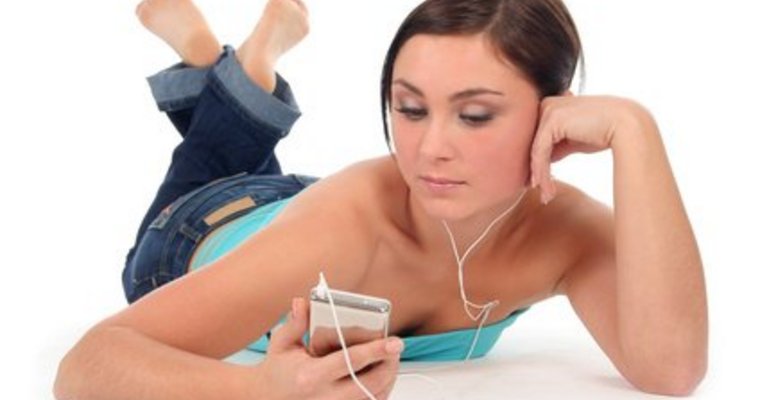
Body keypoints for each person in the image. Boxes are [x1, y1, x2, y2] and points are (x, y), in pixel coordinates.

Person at [54, 0, 708, 398]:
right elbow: (86, 365)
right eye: (410, 109)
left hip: (302, 205)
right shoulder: (346, 227)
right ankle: (218, 69)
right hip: (199, 232)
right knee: (205, 182)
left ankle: (220, 72)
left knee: (244, 160)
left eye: (474, 116)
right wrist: (258, 391)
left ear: (554, 114)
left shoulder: (566, 233)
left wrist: (635, 132)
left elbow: (672, 370)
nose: (430, 150)